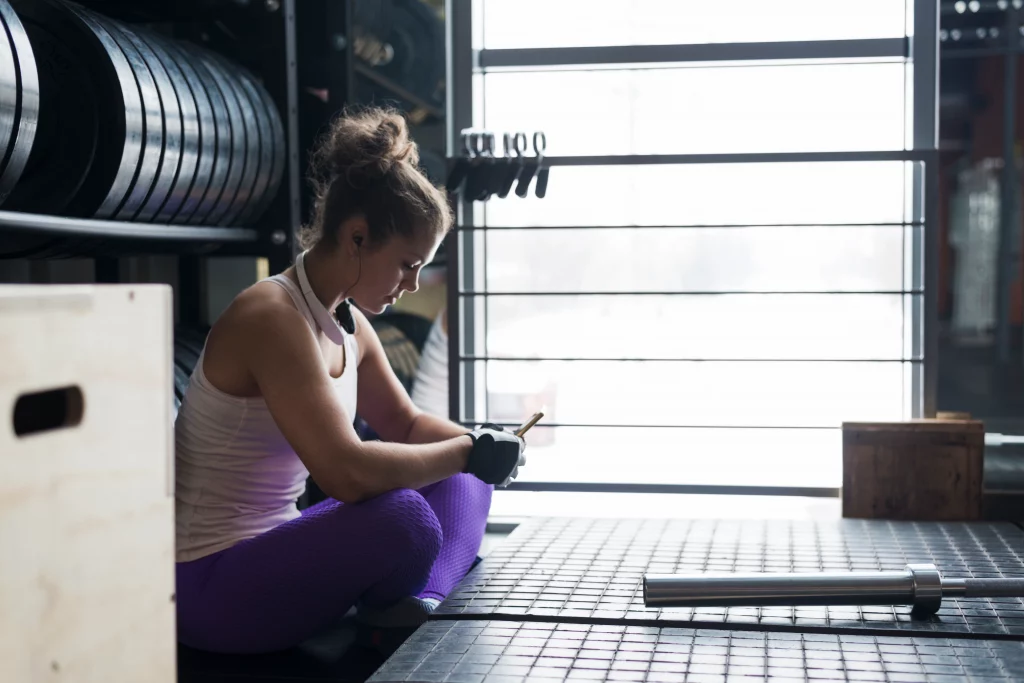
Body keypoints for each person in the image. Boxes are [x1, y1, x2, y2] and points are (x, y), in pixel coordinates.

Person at [173, 108, 527, 655]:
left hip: (276, 552)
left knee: (465, 473)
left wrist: (482, 446)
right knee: (404, 514)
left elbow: (405, 424)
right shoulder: (272, 314)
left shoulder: (350, 323)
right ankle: (404, 599)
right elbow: (346, 473)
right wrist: (465, 451)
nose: (412, 284)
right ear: (357, 237)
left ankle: (419, 604)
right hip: (208, 584)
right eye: (408, 264)